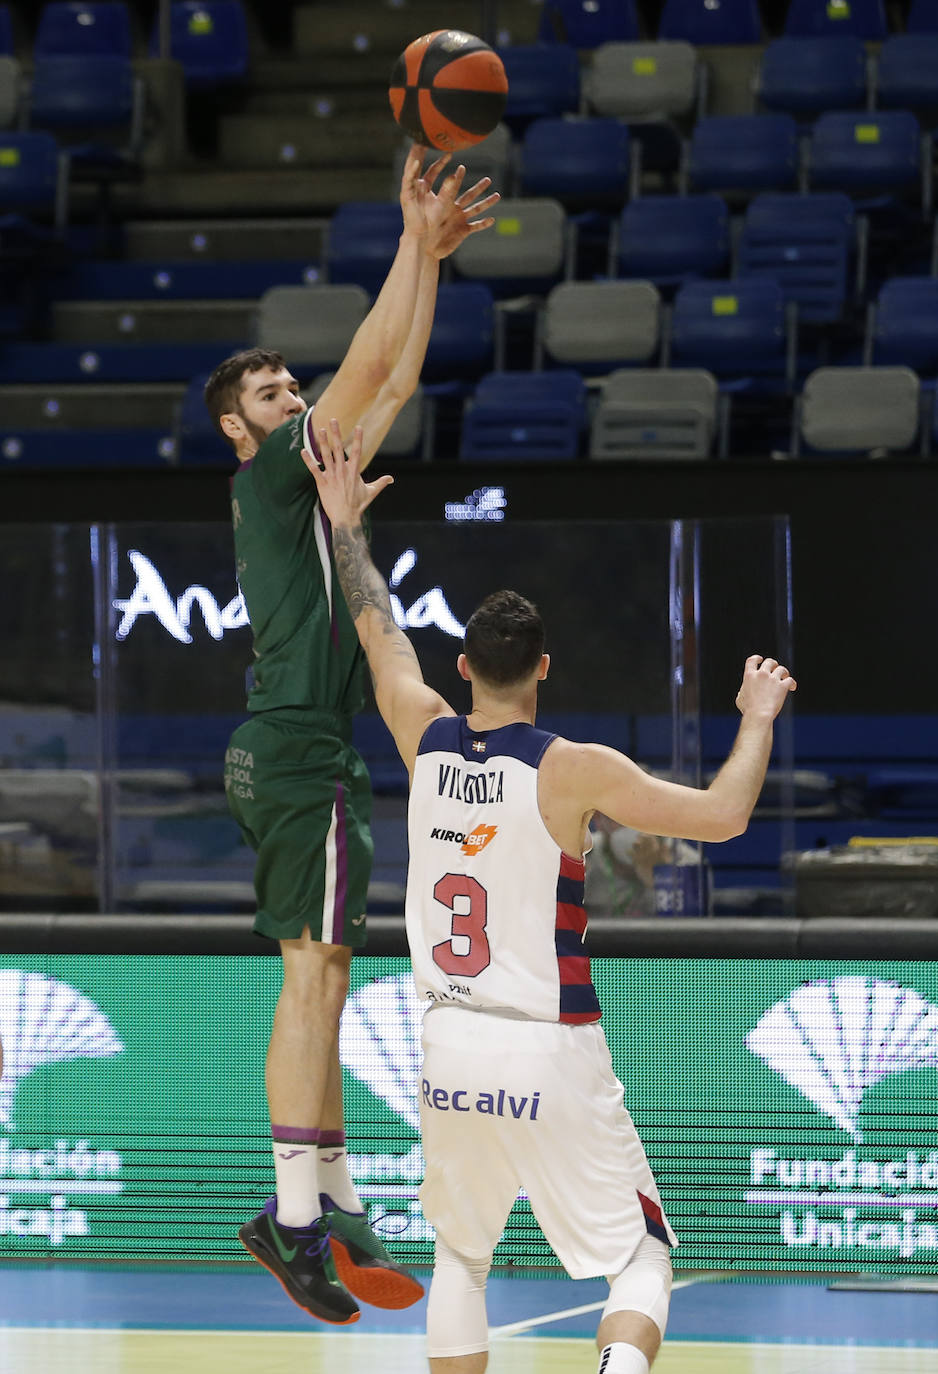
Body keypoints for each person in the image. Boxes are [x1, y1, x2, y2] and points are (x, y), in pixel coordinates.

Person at [302, 420, 797, 1373]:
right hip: (547, 1040)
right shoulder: (573, 769)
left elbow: (376, 626)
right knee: (640, 1256)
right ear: (543, 666)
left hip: (446, 1039)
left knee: (460, 1253)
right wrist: (757, 716)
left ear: (463, 668)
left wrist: (345, 527)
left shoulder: (422, 732)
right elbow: (727, 816)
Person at [206, 145, 499, 1326]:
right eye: (276, 394)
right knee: (311, 983)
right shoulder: (275, 474)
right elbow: (367, 361)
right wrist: (404, 242)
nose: (297, 400)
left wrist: (428, 262)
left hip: (294, 747)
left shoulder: (313, 479)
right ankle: (291, 1216)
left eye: (292, 390)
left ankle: (330, 1193)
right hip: (295, 748)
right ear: (245, 432)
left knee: (323, 978)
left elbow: (395, 383)